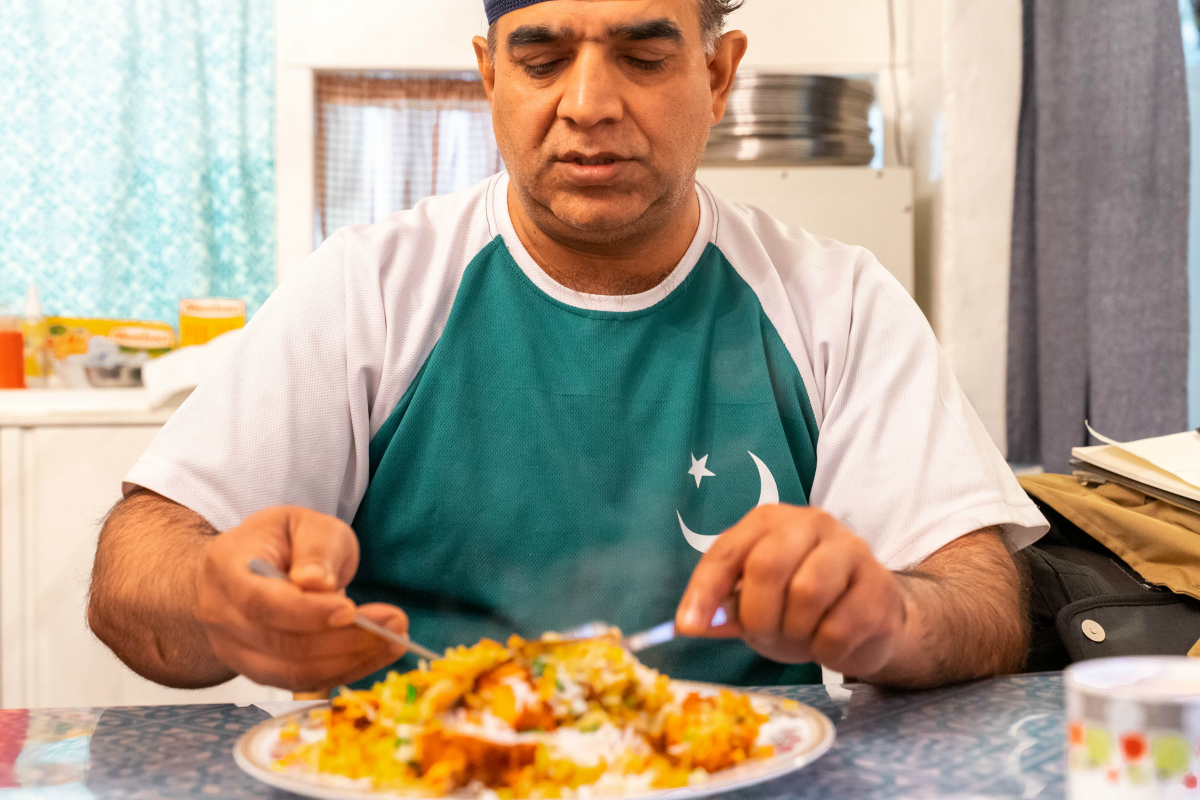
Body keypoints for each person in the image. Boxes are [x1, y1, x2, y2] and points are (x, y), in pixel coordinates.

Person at [87, 0, 1048, 694]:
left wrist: (890, 616)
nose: (589, 103)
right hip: (417, 766)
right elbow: (135, 566)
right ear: (489, 75)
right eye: (542, 59)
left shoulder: (839, 305)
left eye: (643, 56)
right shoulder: (367, 292)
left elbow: (980, 599)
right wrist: (219, 600)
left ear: (719, 75)